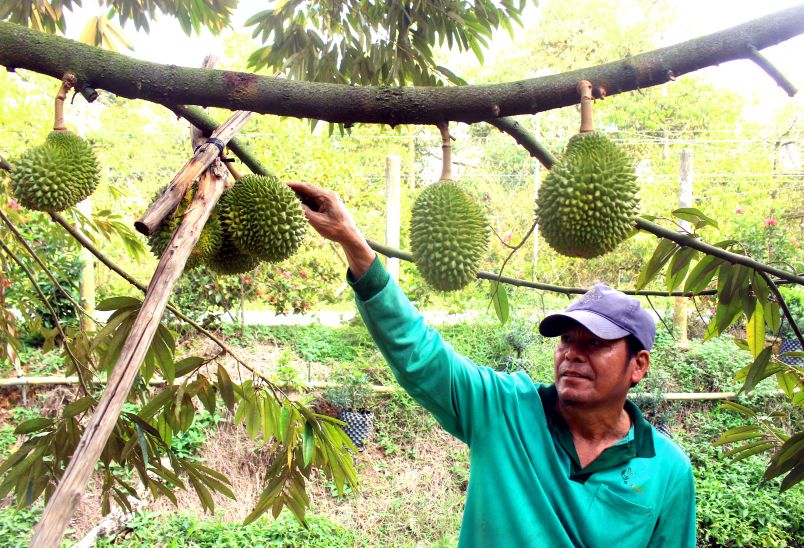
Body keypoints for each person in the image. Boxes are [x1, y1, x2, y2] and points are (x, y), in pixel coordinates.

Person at [288, 181, 696, 548]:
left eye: (595, 343)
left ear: (638, 365)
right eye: (567, 339)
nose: (573, 352)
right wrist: (353, 242)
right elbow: (422, 357)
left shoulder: (666, 470)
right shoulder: (504, 410)